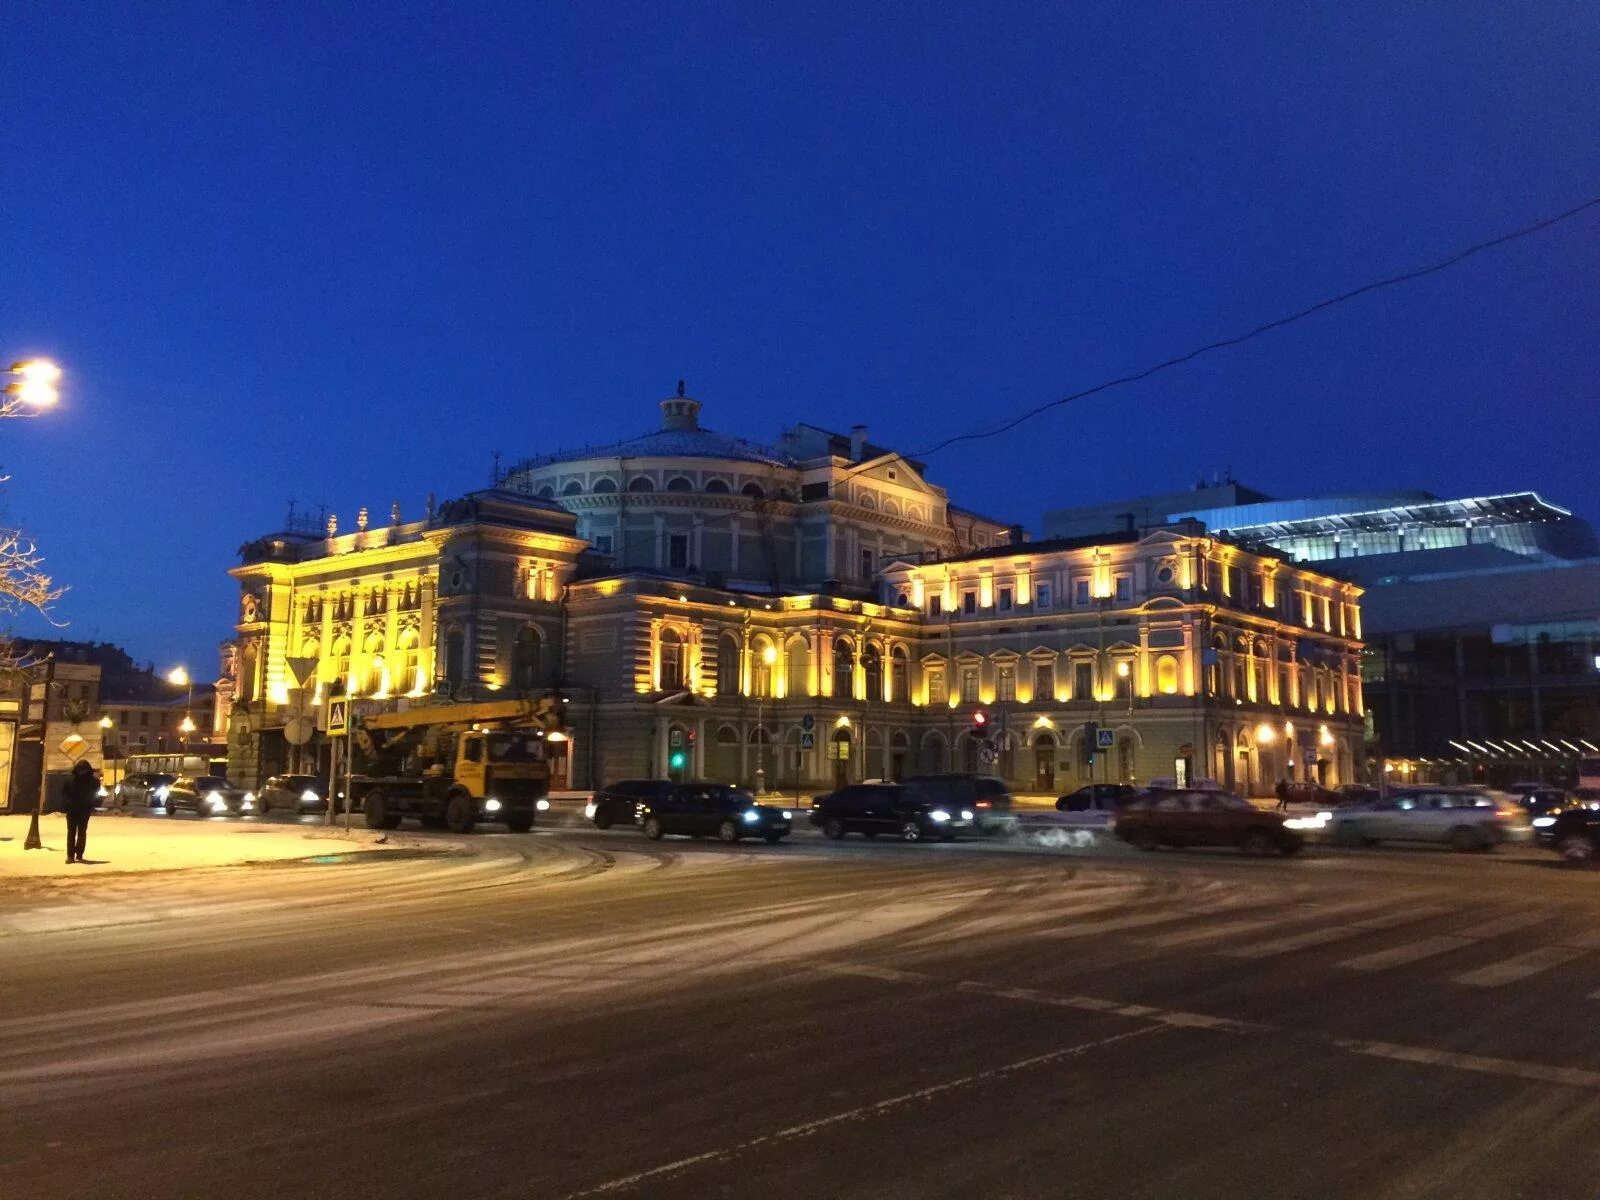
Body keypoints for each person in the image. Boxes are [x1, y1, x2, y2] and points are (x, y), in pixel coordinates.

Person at [61, 760, 101, 864]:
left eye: (83, 770)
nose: (81, 772)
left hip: (82, 810)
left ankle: (78, 854)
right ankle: (71, 856)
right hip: (75, 810)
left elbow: (63, 793)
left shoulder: (91, 781)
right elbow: (63, 793)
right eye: (80, 770)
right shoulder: (91, 781)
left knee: (80, 833)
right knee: (73, 833)